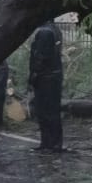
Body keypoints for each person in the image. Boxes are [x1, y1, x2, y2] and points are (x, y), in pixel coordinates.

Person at [29, 21, 63, 152]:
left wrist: (34, 74)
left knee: (45, 112)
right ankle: (51, 143)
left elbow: (41, 56)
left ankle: (49, 143)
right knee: (51, 111)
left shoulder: (44, 32)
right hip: (52, 76)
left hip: (45, 77)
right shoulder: (54, 30)